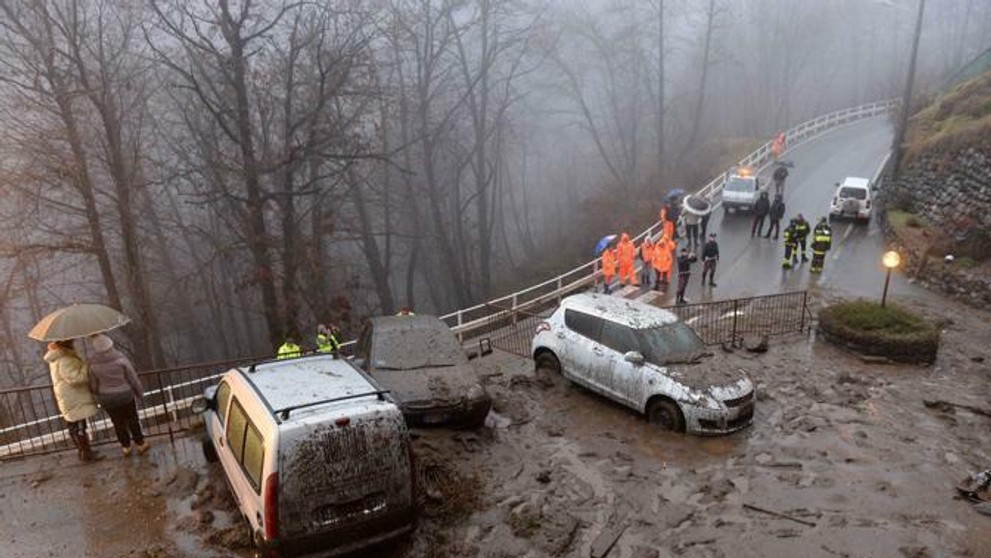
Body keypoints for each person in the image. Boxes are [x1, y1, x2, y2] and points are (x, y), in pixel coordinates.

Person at [88, 334, 147, 457]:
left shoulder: (92, 364)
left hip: (107, 399)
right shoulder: (121, 359)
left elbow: (93, 385)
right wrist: (139, 393)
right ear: (110, 345)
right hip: (125, 395)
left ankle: (126, 447)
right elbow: (133, 378)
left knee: (117, 423)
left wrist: (99, 393)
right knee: (132, 420)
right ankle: (140, 444)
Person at [44, 339, 101, 462]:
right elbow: (75, 379)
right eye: (72, 342)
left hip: (67, 397)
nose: (74, 343)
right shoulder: (65, 359)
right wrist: (85, 367)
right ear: (67, 344)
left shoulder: (56, 358)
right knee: (80, 427)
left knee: (73, 426)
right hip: (75, 397)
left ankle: (83, 451)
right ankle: (87, 454)